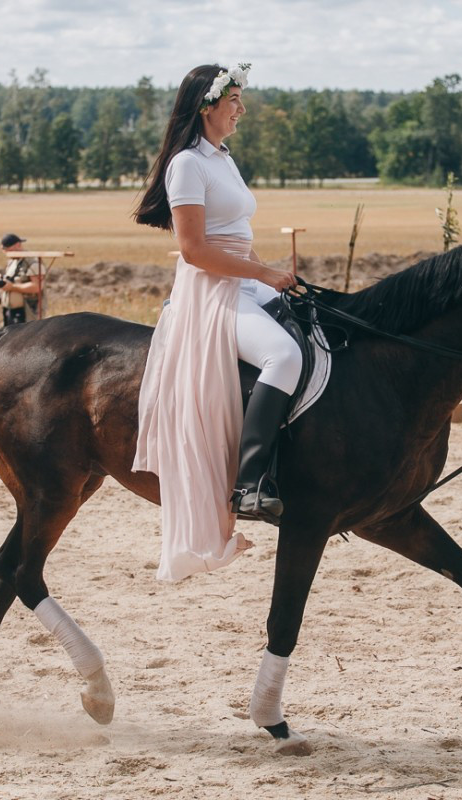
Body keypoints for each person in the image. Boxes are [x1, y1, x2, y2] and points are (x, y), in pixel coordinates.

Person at [132, 63, 302, 582]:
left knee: (310, 333)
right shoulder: (186, 165)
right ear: (207, 106)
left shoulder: (223, 158)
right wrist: (262, 272)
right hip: (209, 293)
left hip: (243, 281)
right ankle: (249, 484)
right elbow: (196, 250)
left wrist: (273, 273)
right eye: (234, 100)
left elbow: (235, 233)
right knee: (284, 355)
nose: (241, 109)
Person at [0, 233, 42, 326]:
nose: (6, 253)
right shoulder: (12, 262)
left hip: (27, 312)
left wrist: (12, 287)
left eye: (7, 249)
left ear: (17, 245)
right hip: (10, 310)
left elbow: (37, 287)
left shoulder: (32, 262)